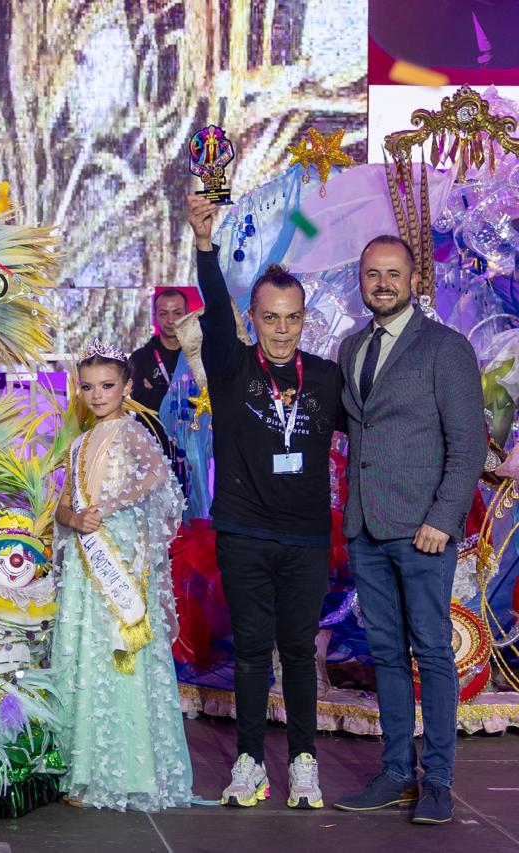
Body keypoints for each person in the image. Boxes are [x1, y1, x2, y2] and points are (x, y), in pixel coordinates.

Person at [186, 194, 343, 810]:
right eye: (270, 318)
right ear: (252, 318)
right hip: (244, 533)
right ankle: (249, 762)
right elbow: (214, 314)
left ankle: (304, 763)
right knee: (252, 652)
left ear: (305, 320)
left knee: (299, 653)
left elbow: (375, 432)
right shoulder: (230, 368)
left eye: (292, 318)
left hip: (305, 538)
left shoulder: (327, 378)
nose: (281, 329)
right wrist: (205, 244)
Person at [333, 236, 485, 825]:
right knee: (387, 655)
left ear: (413, 278)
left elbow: (468, 443)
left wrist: (442, 520)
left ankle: (438, 780)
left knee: (432, 653)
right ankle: (396, 772)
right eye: (373, 274)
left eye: (393, 273)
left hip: (423, 530)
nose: (382, 283)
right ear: (362, 279)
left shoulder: (444, 348)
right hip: (366, 527)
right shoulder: (351, 347)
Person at [50, 341, 191, 811]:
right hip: (86, 564)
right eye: (88, 387)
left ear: (127, 387)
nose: (97, 395)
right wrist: (74, 519)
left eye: (107, 385)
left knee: (117, 650)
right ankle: (83, 768)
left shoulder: (132, 433)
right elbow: (63, 505)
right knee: (86, 653)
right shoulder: (78, 443)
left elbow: (156, 480)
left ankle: (124, 769)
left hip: (121, 560)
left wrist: (105, 509)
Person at [129, 288, 188, 414]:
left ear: (187, 315)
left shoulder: (200, 355)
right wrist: (183, 397)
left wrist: (156, 393)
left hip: (192, 431)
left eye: (177, 313)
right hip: (152, 432)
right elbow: (140, 400)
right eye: (163, 313)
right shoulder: (139, 358)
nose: (171, 320)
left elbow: (206, 398)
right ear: (154, 317)